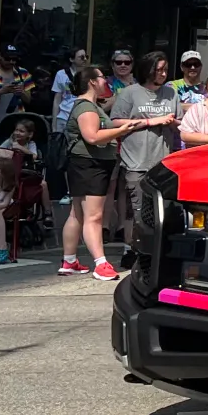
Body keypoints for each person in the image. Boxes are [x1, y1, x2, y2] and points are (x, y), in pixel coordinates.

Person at [59, 64, 140, 279]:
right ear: (92, 82)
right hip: (90, 165)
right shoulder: (86, 107)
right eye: (103, 77)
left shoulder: (89, 106)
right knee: (94, 216)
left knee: (77, 213)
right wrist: (120, 131)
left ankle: (69, 261)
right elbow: (92, 137)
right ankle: (101, 264)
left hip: (84, 164)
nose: (107, 81)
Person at [110, 51, 179, 251]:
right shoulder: (130, 92)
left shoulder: (171, 93)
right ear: (148, 70)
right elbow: (115, 122)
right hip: (136, 162)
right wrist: (150, 121)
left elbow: (180, 124)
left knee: (160, 212)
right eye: (159, 70)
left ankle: (154, 250)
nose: (163, 74)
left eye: (165, 69)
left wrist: (173, 122)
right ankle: (131, 249)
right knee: (137, 210)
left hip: (162, 163)